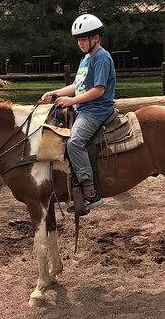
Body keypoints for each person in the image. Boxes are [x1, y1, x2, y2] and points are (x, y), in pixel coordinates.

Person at [41, 14, 116, 212]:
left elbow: (98, 90)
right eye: (79, 40)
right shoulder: (85, 59)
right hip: (83, 108)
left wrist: (72, 101)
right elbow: (77, 85)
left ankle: (90, 193)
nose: (80, 43)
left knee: (75, 142)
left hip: (96, 111)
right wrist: (54, 93)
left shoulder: (101, 58)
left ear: (96, 38)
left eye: (84, 39)